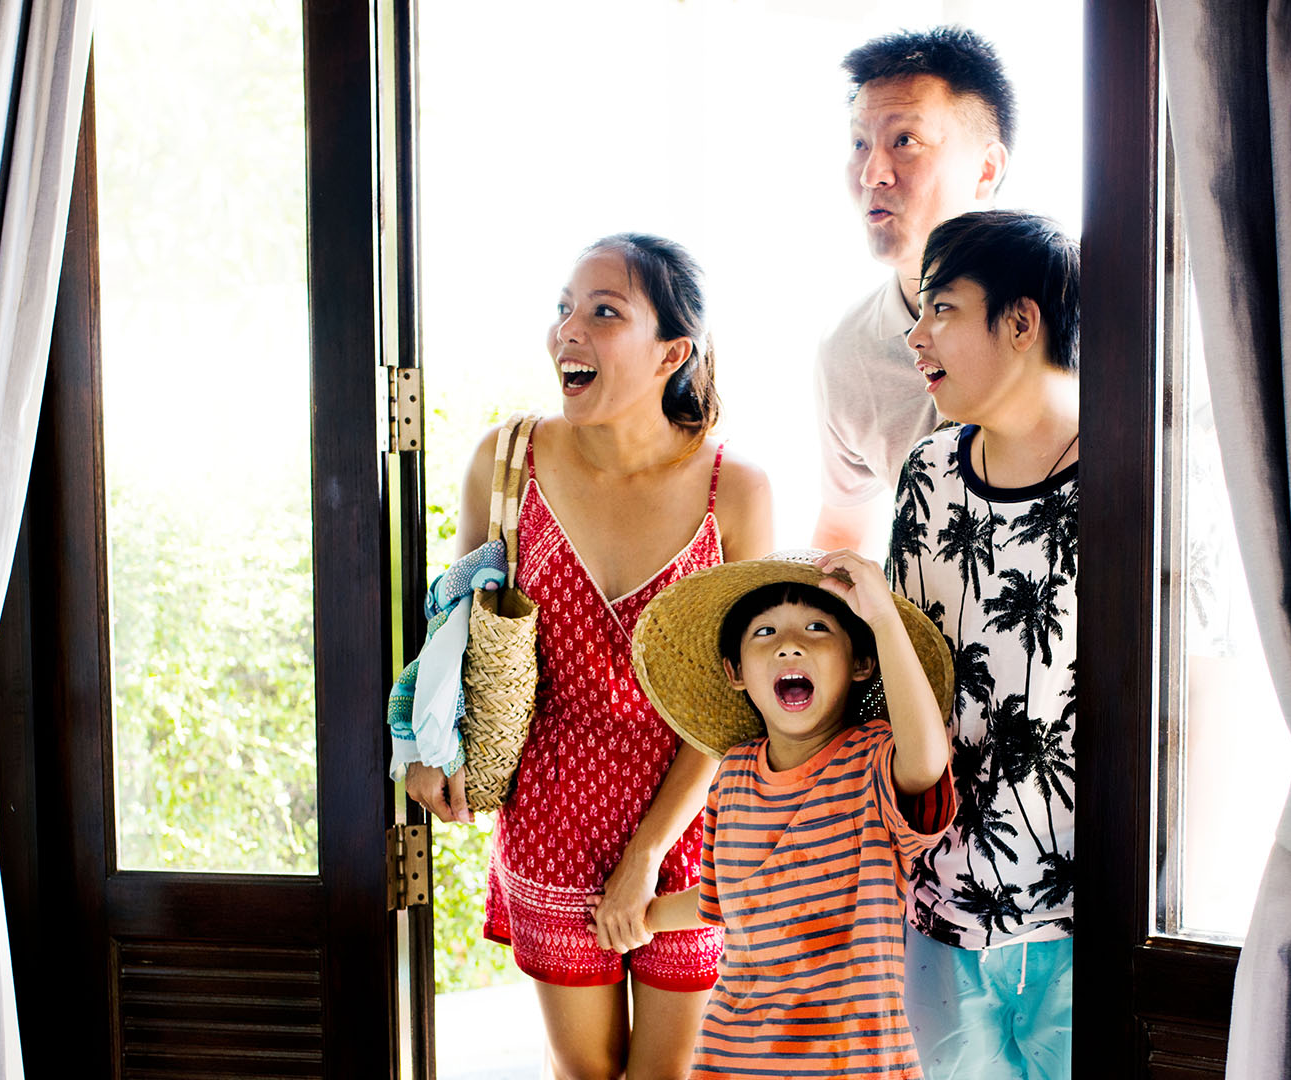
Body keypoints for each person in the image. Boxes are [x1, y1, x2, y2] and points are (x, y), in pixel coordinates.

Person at [405, 233, 773, 1080]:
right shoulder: (507, 462)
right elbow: (452, 635)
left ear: (672, 352)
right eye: (564, 307)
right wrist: (423, 753)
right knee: (584, 1074)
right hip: (549, 817)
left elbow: (739, 707)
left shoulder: (737, 491)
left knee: (665, 1077)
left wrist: (647, 852)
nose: (569, 330)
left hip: (691, 828)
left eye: (604, 312)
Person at [621, 551, 955, 1078]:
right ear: (735, 672)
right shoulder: (730, 776)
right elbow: (723, 900)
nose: (790, 644)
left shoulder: (874, 760)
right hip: (733, 1058)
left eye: (818, 627)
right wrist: (642, 916)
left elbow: (927, 762)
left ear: (861, 664)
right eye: (765, 632)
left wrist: (884, 619)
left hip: (853, 1062)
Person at [888, 210, 1080, 1080]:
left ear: (1022, 321)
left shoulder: (1133, 478)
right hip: (938, 908)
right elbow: (895, 683)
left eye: (942, 309)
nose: (916, 336)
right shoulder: (927, 473)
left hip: (1089, 916)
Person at [813, 26, 1016, 555]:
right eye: (860, 143)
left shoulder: (1088, 304)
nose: (873, 173)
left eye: (905, 141)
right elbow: (842, 537)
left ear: (986, 168)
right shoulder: (848, 352)